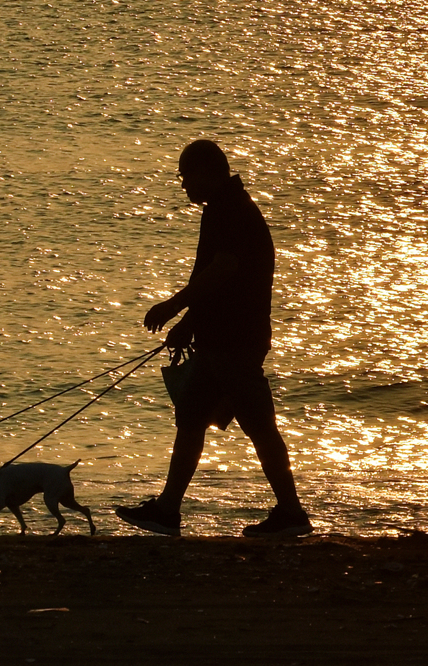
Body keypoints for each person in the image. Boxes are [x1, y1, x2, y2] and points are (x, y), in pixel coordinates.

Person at [115, 140, 312, 537]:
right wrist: (189, 324)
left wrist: (173, 307)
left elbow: (222, 271)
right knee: (190, 418)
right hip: (218, 336)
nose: (184, 185)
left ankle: (292, 513)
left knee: (259, 425)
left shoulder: (231, 211)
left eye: (186, 176)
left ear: (208, 172)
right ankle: (168, 510)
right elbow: (216, 279)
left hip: (235, 338)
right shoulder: (224, 208)